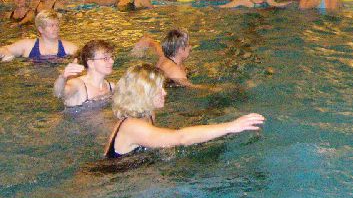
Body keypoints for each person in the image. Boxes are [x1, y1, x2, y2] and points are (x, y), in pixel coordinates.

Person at [104, 63, 265, 158]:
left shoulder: (147, 113)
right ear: (143, 93)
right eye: (159, 89)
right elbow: (180, 137)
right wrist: (231, 126)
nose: (164, 93)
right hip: (112, 183)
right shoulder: (132, 126)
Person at [53, 40, 115, 107]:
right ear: (91, 63)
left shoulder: (111, 87)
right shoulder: (78, 85)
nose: (112, 61)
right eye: (105, 58)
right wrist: (62, 77)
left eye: (112, 57)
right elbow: (59, 94)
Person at [0, 10, 79, 61]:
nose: (56, 28)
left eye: (57, 25)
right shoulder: (27, 45)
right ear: (40, 29)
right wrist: (7, 54)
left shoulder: (70, 48)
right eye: (51, 25)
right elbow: (3, 49)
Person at [134, 30, 200, 88]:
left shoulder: (164, 56)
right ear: (180, 50)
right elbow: (191, 86)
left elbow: (155, 44)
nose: (190, 47)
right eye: (188, 45)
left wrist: (148, 41)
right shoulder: (176, 71)